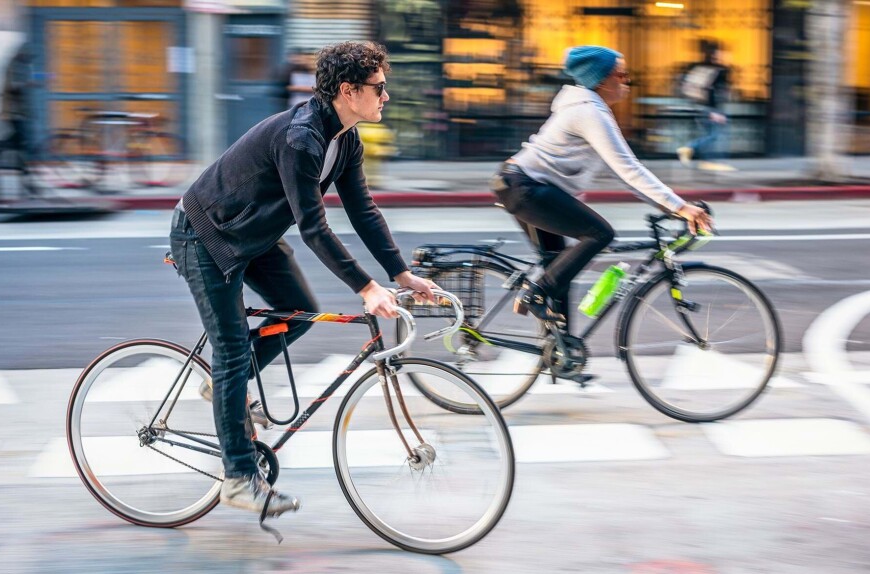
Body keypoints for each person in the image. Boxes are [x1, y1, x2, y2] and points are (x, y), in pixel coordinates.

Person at [169, 41, 437, 517]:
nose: (386, 96)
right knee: (231, 350)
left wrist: (399, 272)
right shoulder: (302, 138)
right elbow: (314, 228)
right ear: (348, 91)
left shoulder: (345, 138)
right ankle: (238, 479)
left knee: (298, 313)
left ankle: (226, 385)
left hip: (253, 234)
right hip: (205, 235)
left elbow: (363, 211)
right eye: (379, 87)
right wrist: (367, 288)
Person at [491, 45, 713, 323]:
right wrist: (680, 207)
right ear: (601, 80)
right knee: (599, 234)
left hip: (521, 185)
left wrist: (672, 208)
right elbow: (629, 169)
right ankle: (534, 293)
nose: (627, 81)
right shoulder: (590, 112)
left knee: (559, 269)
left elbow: (625, 175)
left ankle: (560, 357)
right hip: (526, 188)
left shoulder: (588, 108)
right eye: (621, 75)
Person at [676, 41, 733, 171]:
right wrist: (715, 112)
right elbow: (713, 91)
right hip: (710, 108)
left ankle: (706, 160)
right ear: (716, 54)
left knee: (711, 134)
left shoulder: (701, 67)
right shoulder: (718, 70)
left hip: (699, 106)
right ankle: (690, 148)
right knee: (714, 135)